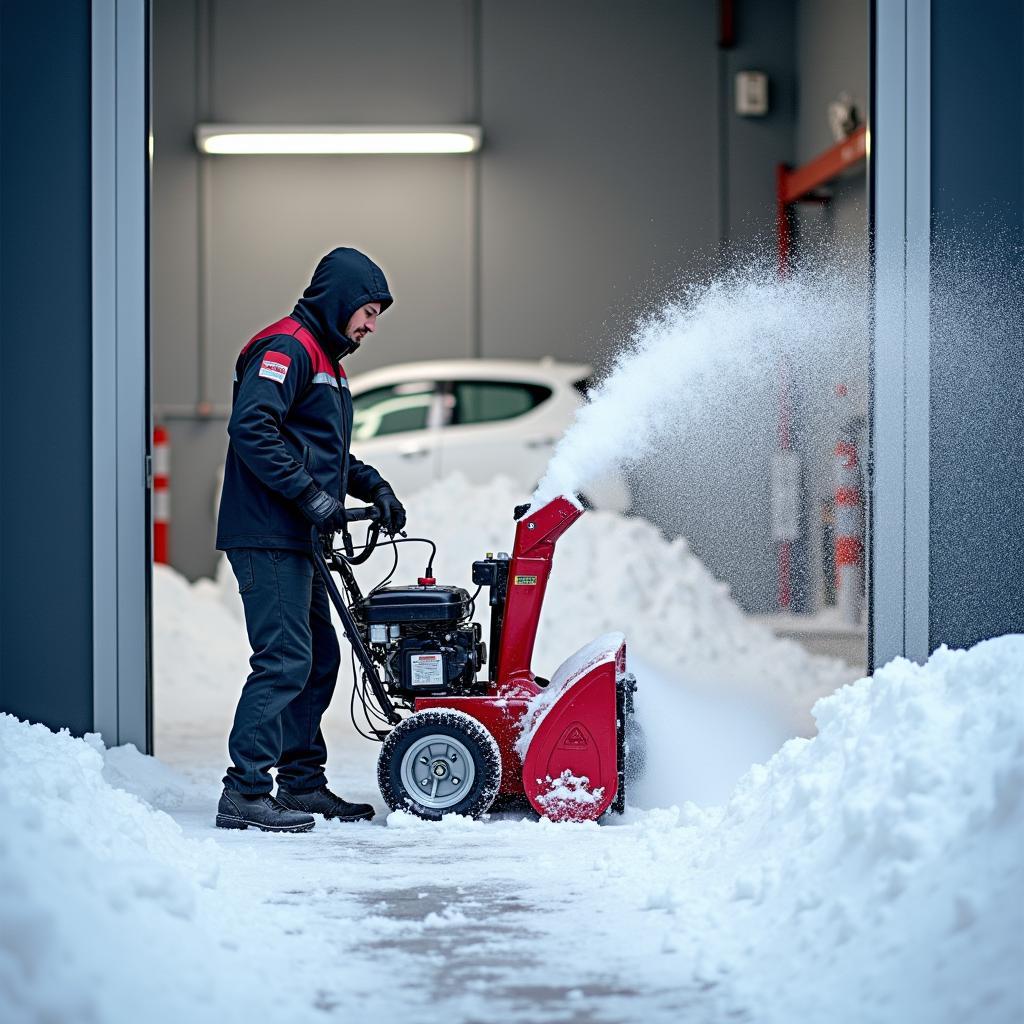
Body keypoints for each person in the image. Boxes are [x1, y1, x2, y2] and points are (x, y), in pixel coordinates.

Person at [213, 248, 406, 833]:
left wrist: (373, 487)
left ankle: (301, 784)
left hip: (297, 534)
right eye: (368, 312)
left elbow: (323, 450)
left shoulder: (328, 359)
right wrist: (309, 496)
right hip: (268, 532)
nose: (372, 325)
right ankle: (245, 791)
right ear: (341, 301)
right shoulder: (288, 347)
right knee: (285, 658)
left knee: (319, 655)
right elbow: (252, 428)